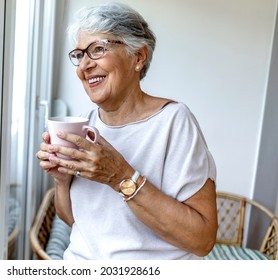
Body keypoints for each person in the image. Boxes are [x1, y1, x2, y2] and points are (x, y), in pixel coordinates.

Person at [36, 2, 217, 260]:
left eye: (97, 49)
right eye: (78, 54)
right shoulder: (85, 124)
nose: (83, 66)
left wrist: (121, 176)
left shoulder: (174, 122)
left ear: (138, 57)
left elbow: (202, 240)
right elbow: (74, 220)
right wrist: (62, 180)